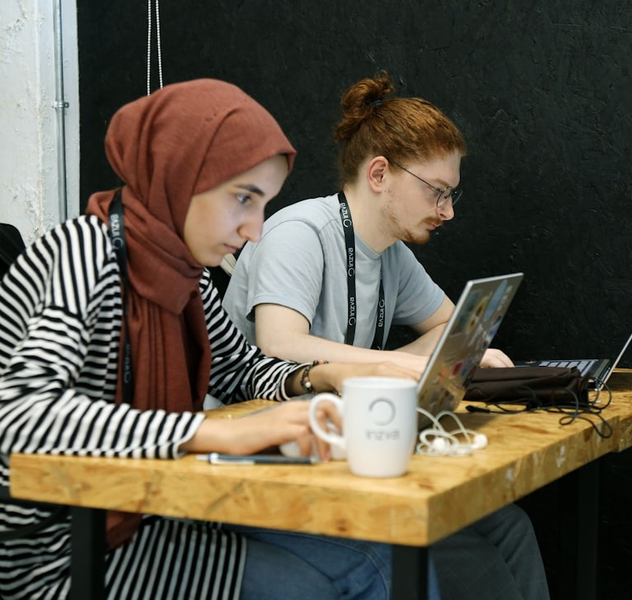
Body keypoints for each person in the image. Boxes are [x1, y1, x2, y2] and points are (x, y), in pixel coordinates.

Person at [0, 79, 434, 600]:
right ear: (179, 175)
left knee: (387, 557)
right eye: (242, 199)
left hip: (162, 513)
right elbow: (14, 416)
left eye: (262, 205)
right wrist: (212, 433)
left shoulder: (183, 273)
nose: (254, 230)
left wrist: (319, 376)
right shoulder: (82, 254)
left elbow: (240, 369)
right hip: (67, 549)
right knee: (309, 586)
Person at [223, 71, 551, 600]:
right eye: (437, 192)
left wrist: (440, 355)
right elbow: (278, 345)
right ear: (380, 173)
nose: (447, 211)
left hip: (349, 448)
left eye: (451, 194)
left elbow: (450, 326)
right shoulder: (299, 231)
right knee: (470, 557)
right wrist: (391, 367)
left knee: (510, 527)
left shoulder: (392, 253)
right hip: (277, 459)